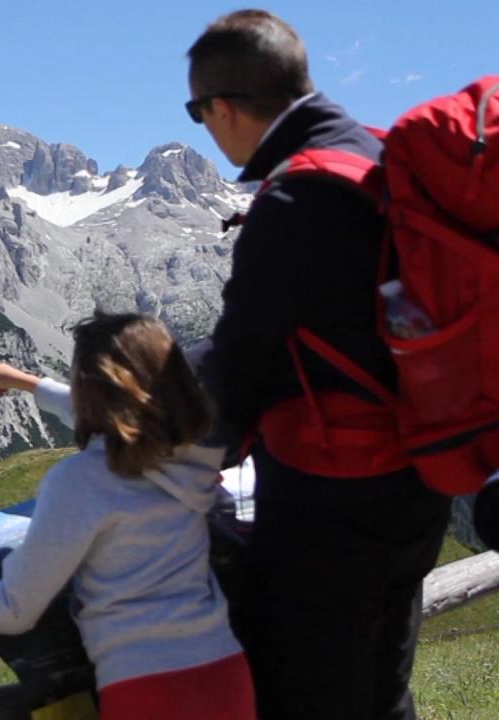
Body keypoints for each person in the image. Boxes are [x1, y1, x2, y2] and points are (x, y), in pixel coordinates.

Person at [185, 10, 452, 719]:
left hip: (330, 497)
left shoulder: (298, 197)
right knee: (383, 692)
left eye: (197, 112)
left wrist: (179, 471)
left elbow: (242, 358)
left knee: (307, 698)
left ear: (223, 106)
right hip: (419, 479)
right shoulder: (379, 158)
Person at [0, 313, 255, 720]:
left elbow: (14, 609)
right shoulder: (190, 457)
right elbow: (123, 422)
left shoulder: (81, 481)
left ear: (92, 393)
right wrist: (28, 383)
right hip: (226, 674)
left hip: (146, 687)